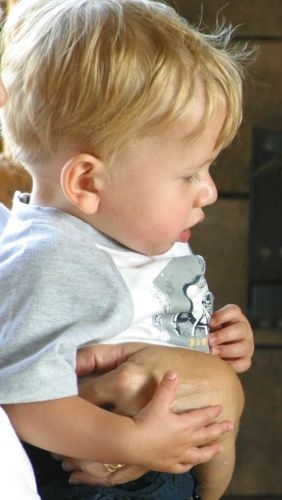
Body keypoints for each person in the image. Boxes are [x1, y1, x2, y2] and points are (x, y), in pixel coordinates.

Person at [0, 0, 253, 498]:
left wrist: (219, 340)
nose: (210, 191)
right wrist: (132, 441)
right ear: (88, 181)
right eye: (189, 175)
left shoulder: (119, 236)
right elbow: (23, 399)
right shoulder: (51, 261)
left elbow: (158, 321)